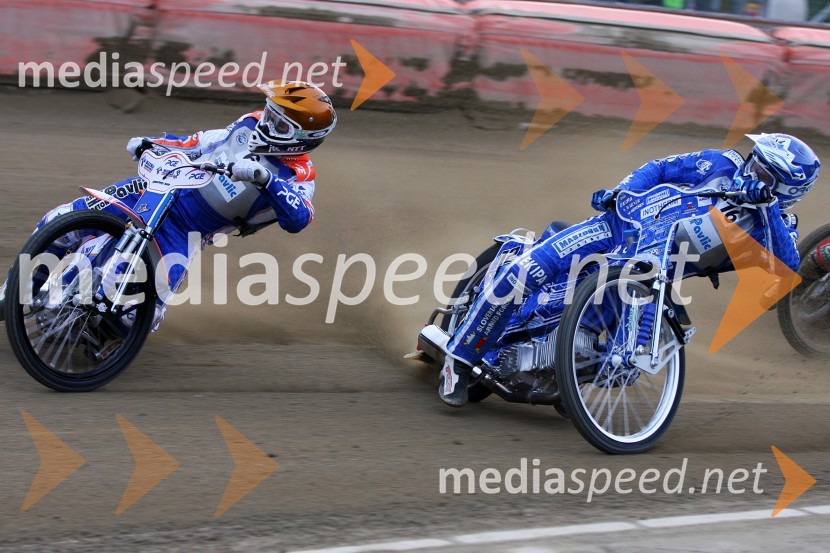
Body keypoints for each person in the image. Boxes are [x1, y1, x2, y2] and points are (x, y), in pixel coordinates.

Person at [421, 133, 821, 407]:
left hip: (647, 272)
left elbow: (784, 270)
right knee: (530, 272)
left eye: (766, 175)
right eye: (756, 162)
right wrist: (623, 190)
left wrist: (763, 204)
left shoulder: (776, 227)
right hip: (616, 225)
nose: (752, 172)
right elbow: (660, 168)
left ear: (787, 190)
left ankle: (565, 380)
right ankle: (459, 359)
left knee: (593, 341)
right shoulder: (721, 163)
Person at [0, 80, 336, 323]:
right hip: (160, 187)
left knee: (138, 313)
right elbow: (197, 143)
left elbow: (300, 217)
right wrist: (152, 142)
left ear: (300, 137)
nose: (265, 121)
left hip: (189, 230)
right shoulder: (248, 124)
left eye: (277, 120)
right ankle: (11, 293)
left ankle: (108, 337)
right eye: (269, 112)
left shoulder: (299, 174)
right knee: (59, 221)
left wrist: (265, 179)